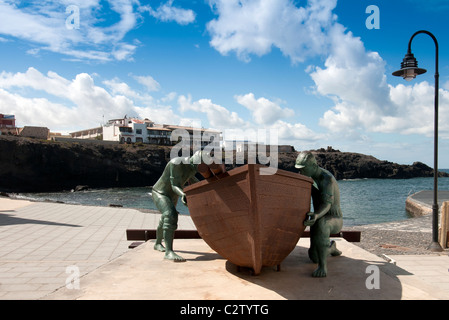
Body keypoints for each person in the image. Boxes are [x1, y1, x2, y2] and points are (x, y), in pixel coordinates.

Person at [295, 151, 343, 277]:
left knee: (322, 223)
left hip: (333, 218)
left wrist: (316, 216)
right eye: (299, 170)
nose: (301, 173)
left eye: (303, 169)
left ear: (314, 166)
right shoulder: (309, 177)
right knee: (313, 257)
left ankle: (323, 267)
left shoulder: (327, 180)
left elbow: (327, 205)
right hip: (318, 216)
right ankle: (331, 248)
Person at [152, 151, 202, 262]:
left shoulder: (192, 167)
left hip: (173, 195)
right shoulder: (176, 163)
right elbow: (175, 185)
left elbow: (193, 180)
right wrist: (183, 194)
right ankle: (168, 252)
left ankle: (157, 243)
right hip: (161, 192)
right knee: (170, 215)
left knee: (165, 218)